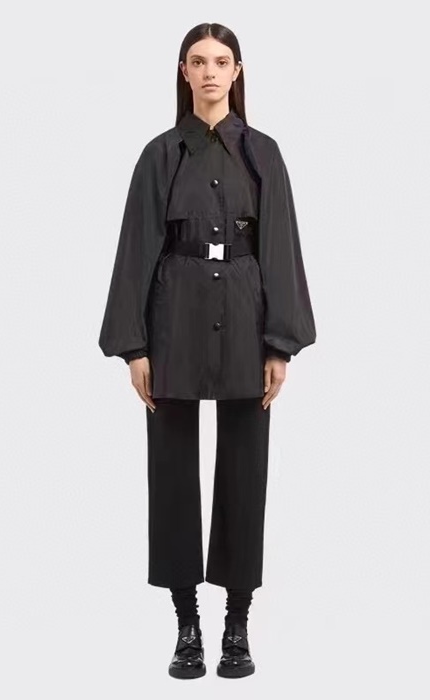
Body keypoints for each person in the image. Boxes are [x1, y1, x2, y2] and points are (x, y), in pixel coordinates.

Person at [98, 22, 316, 679]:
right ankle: (186, 622)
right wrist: (134, 345)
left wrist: (281, 342)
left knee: (246, 470)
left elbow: (281, 244)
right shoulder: (160, 155)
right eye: (199, 61)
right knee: (171, 471)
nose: (211, 72)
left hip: (247, 321)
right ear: (184, 72)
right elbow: (136, 246)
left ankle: (238, 624)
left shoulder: (263, 153)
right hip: (173, 322)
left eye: (222, 61)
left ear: (238, 72)